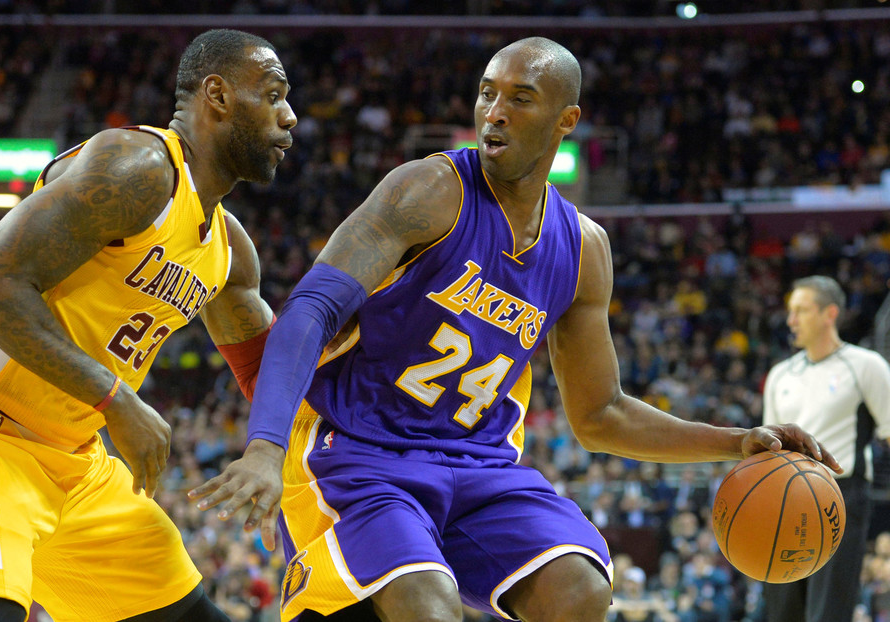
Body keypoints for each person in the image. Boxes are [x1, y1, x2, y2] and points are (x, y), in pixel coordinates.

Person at [189, 37, 840, 622]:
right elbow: (310, 308)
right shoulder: (431, 190)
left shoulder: (584, 249)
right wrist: (265, 447)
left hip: (478, 465)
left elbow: (602, 414)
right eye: (486, 94)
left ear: (566, 120)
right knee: (426, 605)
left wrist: (737, 443)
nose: (494, 112)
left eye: (520, 99)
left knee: (579, 590)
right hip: (361, 453)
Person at [0, 28, 295, 622]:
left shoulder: (230, 252)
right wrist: (115, 398)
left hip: (78, 465)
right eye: (273, 96)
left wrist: (287, 464)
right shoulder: (138, 168)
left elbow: (269, 376)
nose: (289, 117)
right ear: (218, 95)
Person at [761, 275, 890, 622]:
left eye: (801, 310)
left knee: (829, 612)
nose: (791, 320)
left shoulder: (866, 366)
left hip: (841, 494)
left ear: (829, 314)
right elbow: (768, 450)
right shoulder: (780, 375)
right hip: (785, 496)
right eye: (790, 311)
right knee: (783, 612)